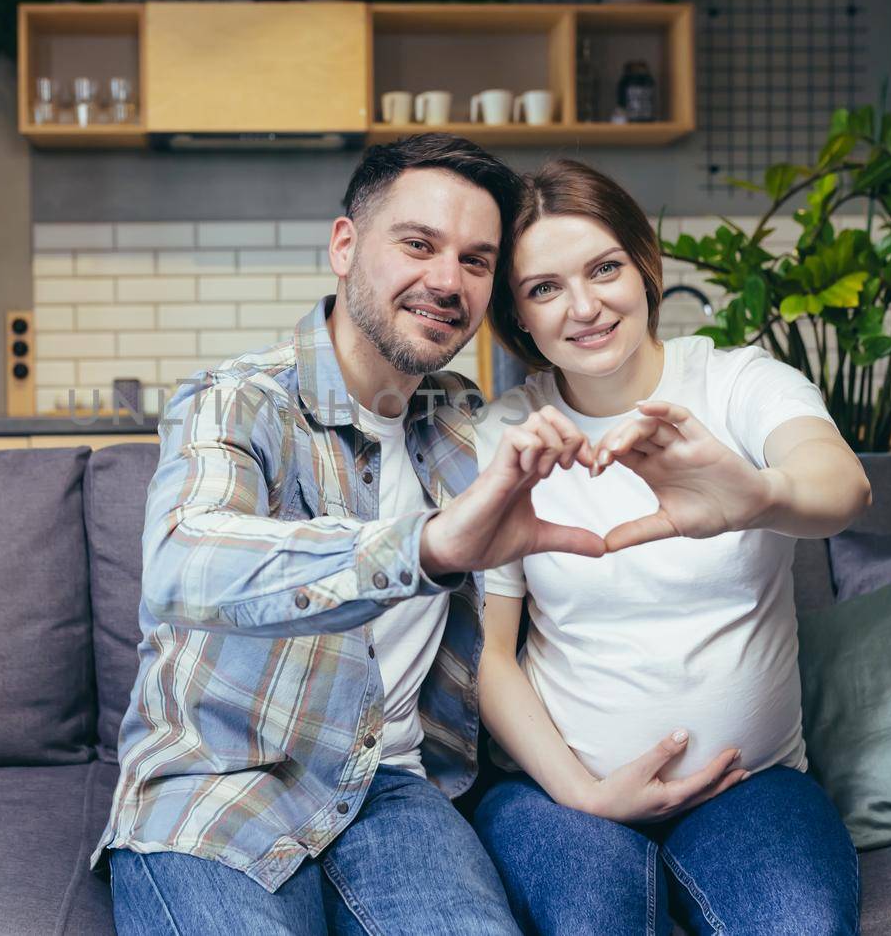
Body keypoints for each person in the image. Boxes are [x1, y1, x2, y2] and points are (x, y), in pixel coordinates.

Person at [92, 135, 614, 936]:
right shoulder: (238, 400)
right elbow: (182, 561)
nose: (447, 280)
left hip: (397, 789)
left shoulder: (470, 423)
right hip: (219, 784)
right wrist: (425, 547)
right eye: (419, 243)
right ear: (345, 245)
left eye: (477, 261)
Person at [470, 158, 872, 936]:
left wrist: (758, 494)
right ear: (518, 316)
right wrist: (584, 794)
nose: (584, 307)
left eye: (604, 267)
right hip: (563, 793)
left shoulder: (738, 382)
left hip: (750, 785)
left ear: (645, 264)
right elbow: (490, 654)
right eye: (544, 288)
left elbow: (842, 486)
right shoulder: (506, 436)